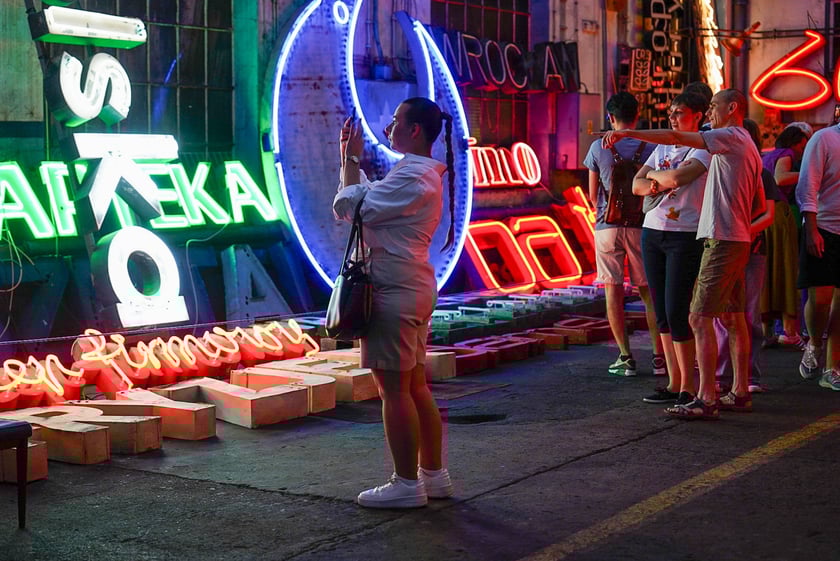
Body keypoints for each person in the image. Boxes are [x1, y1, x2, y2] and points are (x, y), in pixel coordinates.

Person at [602, 89, 766, 420]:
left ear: (732, 108)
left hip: (720, 238)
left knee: (697, 316)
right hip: (731, 236)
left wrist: (627, 132)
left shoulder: (729, 137)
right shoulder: (744, 143)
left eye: (714, 107)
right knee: (732, 317)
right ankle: (740, 391)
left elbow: (676, 145)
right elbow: (759, 202)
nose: (709, 114)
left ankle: (705, 397)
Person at [334, 97, 455, 507]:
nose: (389, 126)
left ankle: (406, 484)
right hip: (411, 287)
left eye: (397, 120)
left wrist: (349, 160)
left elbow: (352, 207)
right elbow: (365, 201)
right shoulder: (418, 174)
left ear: (415, 129)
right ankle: (433, 476)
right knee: (415, 385)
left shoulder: (414, 176)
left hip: (393, 289)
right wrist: (350, 164)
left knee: (394, 391)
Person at [632, 92, 711, 406]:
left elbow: (680, 176)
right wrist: (656, 179)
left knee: (678, 310)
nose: (674, 118)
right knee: (662, 312)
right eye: (671, 113)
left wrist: (654, 179)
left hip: (685, 234)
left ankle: (688, 386)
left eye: (680, 113)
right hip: (653, 232)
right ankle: (673, 380)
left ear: (698, 117)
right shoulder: (662, 146)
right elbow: (636, 185)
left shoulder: (703, 147)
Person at [583, 92, 663, 377]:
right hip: (642, 226)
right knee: (649, 293)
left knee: (613, 292)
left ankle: (625, 358)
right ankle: (659, 357)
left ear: (610, 117)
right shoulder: (653, 146)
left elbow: (593, 196)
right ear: (637, 116)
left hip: (607, 227)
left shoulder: (597, 147)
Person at [714, 119, 780, 396]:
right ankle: (722, 374)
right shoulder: (722, 171)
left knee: (747, 314)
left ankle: (748, 374)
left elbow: (769, 215)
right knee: (721, 315)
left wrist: (743, 231)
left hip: (750, 250)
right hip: (730, 245)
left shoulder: (760, 173)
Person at [795, 119, 840, 391]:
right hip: (823, 226)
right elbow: (807, 186)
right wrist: (810, 228)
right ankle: (814, 342)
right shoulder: (824, 139)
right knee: (820, 298)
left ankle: (833, 368)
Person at [760, 126, 809, 349]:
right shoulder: (787, 155)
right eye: (802, 143)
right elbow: (781, 178)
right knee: (787, 269)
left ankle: (767, 330)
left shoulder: (768, 155)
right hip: (780, 213)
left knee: (767, 271)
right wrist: (811, 173)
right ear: (795, 141)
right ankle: (789, 331)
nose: (804, 148)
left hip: (763, 212)